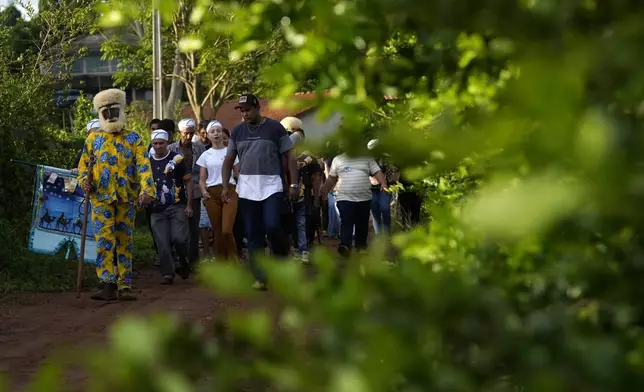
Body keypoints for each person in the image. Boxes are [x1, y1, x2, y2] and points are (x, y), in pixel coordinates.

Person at [77, 88, 155, 301]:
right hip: (100, 198)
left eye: (114, 110)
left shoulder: (134, 139)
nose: (110, 115)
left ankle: (125, 285)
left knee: (124, 241)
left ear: (121, 111)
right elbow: (83, 166)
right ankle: (107, 283)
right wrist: (84, 182)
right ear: (100, 114)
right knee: (104, 240)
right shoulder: (93, 139)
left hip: (126, 197)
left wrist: (147, 190)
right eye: (106, 111)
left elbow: (143, 165)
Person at [221, 93, 299, 290]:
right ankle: (260, 277)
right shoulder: (237, 131)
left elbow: (290, 157)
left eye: (248, 110)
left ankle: (281, 259)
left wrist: (294, 184)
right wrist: (225, 186)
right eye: (242, 111)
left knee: (273, 225)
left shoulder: (275, 128)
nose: (245, 114)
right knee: (253, 233)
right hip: (247, 187)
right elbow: (229, 160)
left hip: (272, 184)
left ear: (257, 108)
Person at [148, 129, 193, 284]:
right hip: (156, 209)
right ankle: (168, 273)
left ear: (167, 143)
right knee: (162, 243)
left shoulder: (177, 159)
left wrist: (189, 204)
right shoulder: (146, 162)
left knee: (179, 239)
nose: (158, 146)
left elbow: (188, 181)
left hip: (177, 206)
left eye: (161, 143)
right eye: (155, 143)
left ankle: (184, 262)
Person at [321, 152, 387, 257]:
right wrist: (324, 190)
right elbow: (332, 178)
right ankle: (345, 245)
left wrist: (383, 183)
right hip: (344, 198)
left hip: (364, 198)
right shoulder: (338, 159)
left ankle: (361, 247)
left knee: (362, 223)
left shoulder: (367, 158)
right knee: (346, 221)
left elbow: (377, 172)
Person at [280, 116, 322, 263]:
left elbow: (316, 177)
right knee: (289, 223)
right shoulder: (282, 155)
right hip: (285, 194)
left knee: (301, 222)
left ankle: (303, 249)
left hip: (303, 195)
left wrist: (317, 198)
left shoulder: (308, 155)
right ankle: (293, 249)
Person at [198, 121, 240, 260]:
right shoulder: (205, 155)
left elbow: (238, 173)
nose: (216, 133)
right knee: (217, 232)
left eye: (218, 130)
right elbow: (202, 179)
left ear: (223, 134)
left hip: (229, 190)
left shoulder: (231, 153)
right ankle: (221, 265)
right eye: (212, 131)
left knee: (227, 230)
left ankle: (234, 262)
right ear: (208, 136)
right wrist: (204, 191)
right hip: (212, 193)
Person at [169, 118, 206, 269]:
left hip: (195, 189)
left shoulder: (200, 148)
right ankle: (179, 258)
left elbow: (204, 168)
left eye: (191, 133)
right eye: (186, 133)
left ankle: (194, 261)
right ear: (180, 133)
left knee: (193, 227)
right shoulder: (171, 149)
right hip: (176, 189)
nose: (189, 137)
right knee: (177, 226)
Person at [367, 139, 399, 235]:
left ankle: (386, 234)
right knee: (375, 210)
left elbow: (395, 170)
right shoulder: (367, 159)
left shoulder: (387, 158)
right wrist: (370, 178)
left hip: (385, 187)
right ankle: (378, 235)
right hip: (371, 188)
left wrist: (389, 180)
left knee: (385, 208)